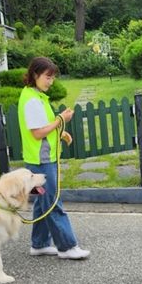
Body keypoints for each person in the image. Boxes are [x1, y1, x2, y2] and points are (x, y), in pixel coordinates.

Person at [18, 57, 90, 260]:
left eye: (53, 78)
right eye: (47, 77)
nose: (51, 81)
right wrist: (61, 119)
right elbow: (37, 133)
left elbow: (42, 127)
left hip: (38, 158)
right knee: (52, 202)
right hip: (41, 160)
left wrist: (60, 132)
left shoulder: (35, 96)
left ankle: (39, 244)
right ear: (35, 75)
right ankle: (67, 247)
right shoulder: (33, 100)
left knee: (43, 201)